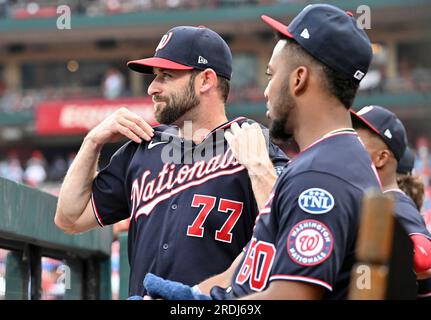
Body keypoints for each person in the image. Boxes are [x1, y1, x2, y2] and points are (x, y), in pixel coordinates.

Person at [143, 3, 382, 300]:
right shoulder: (328, 160)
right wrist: (193, 295)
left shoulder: (320, 174)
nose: (267, 91)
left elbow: (291, 298)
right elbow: (250, 267)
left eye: (271, 75)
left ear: (298, 79)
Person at [54, 25, 288, 297]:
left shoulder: (251, 142)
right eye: (155, 76)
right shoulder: (142, 146)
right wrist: (92, 142)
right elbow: (68, 218)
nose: (153, 87)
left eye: (166, 76)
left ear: (205, 80)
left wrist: (260, 169)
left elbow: (285, 234)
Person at [350, 105, 431, 298]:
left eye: (357, 143)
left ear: (381, 158)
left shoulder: (396, 204)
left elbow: (423, 258)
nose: (348, 148)